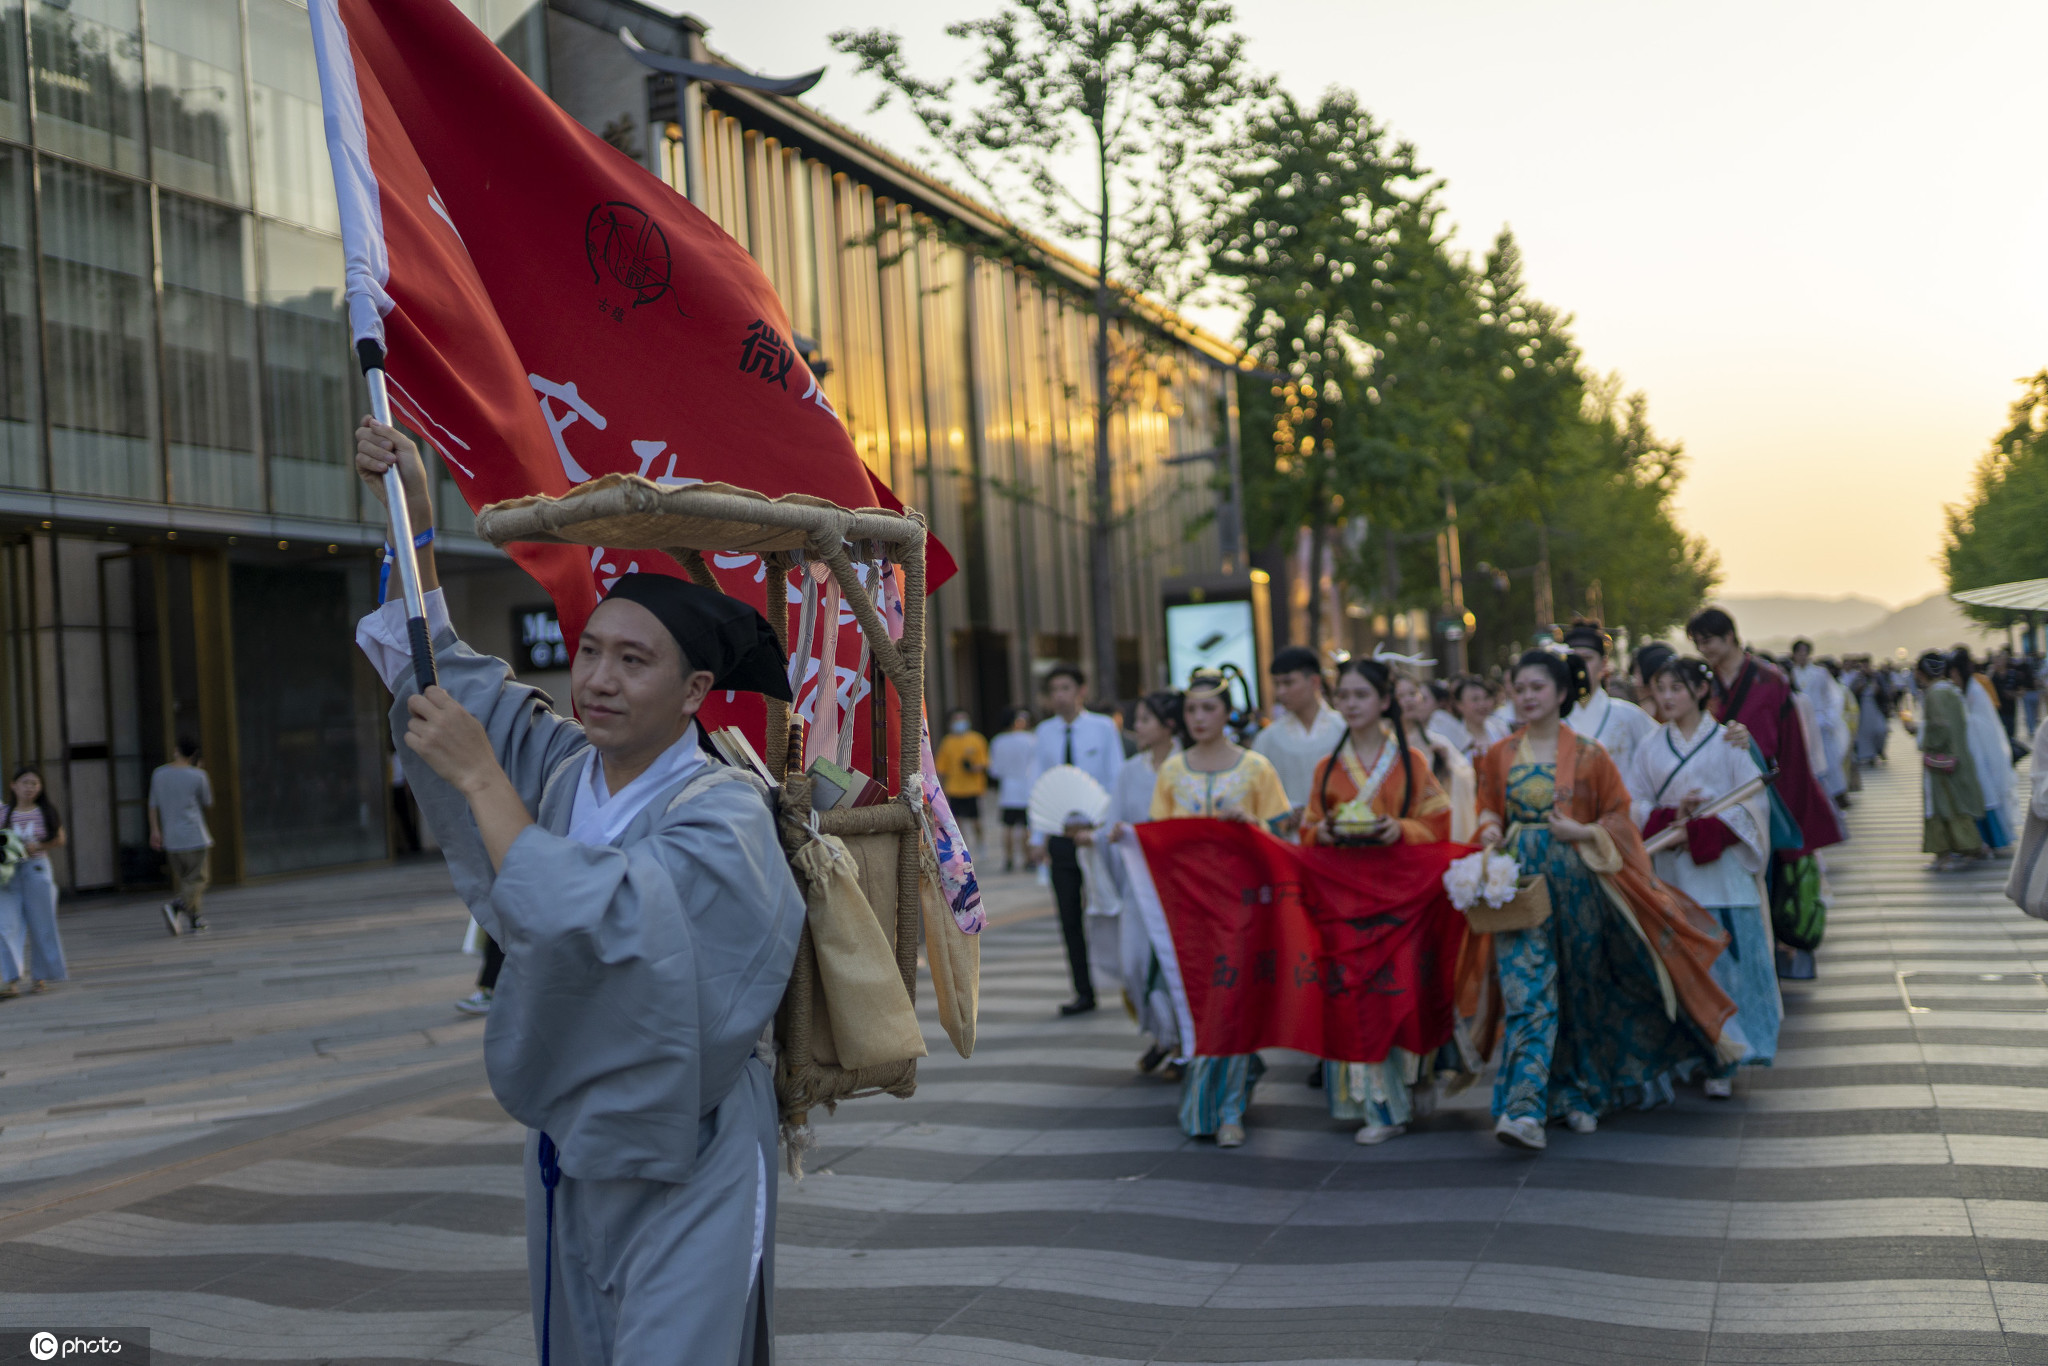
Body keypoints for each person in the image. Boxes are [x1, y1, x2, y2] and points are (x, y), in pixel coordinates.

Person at [354, 419, 803, 1365]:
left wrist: (482, 783)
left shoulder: (724, 813)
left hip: (694, 1140)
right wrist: (415, 526)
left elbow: (599, 912)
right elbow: (443, 679)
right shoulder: (563, 766)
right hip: (575, 1141)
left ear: (695, 693)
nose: (596, 680)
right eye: (591, 651)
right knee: (579, 1345)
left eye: (633, 663)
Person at [1472, 649, 1736, 1151]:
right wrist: (1488, 833)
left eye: (1537, 687)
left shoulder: (1591, 755)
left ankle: (1580, 1094)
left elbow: (1620, 819)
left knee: (1580, 988)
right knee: (1527, 990)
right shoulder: (1499, 753)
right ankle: (1525, 1107)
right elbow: (1488, 806)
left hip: (1578, 886)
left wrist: (1584, 830)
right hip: (1518, 886)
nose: (1527, 697)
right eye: (1519, 688)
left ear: (1562, 692)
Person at [1299, 656, 1453, 1145]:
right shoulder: (1327, 767)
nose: (1350, 704)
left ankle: (1413, 1081)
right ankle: (1378, 1106)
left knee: (1401, 993)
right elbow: (1308, 826)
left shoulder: (1412, 762)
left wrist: (1399, 829)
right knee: (1356, 996)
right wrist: (1321, 831)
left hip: (1400, 896)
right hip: (1344, 898)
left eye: (1360, 695)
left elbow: (1439, 823)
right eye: (1343, 696)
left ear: (1385, 701)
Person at [1623, 657, 1779, 1097]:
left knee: (1728, 970)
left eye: (1677, 687)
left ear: (1698, 692)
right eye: (1661, 688)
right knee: (1684, 971)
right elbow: (1633, 804)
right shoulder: (1651, 746)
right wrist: (1673, 816)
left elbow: (1752, 805)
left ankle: (1727, 1057)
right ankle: (1696, 1052)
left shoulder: (1729, 740)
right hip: (1673, 872)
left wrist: (1701, 828)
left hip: (1722, 873)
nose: (1667, 697)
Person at [1151, 669, 1291, 1148]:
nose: (1199, 717)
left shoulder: (1255, 769)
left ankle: (1227, 1109)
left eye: (1209, 708)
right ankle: (1232, 1080)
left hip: (1243, 904)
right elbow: (1158, 842)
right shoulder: (1171, 771)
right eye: (1191, 709)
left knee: (1231, 999)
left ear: (1227, 712)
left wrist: (1251, 824)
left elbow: (1281, 841)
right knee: (1203, 1000)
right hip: (1190, 906)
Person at [1685, 608, 1844, 860]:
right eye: (1698, 644)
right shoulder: (1704, 685)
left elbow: (1791, 749)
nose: (1703, 650)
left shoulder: (1771, 681)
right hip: (1717, 790)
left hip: (1766, 786)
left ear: (1728, 636)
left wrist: (1795, 804)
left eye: (1707, 641)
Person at [1033, 665, 1124, 1016]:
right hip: (1061, 836)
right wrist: (1038, 836)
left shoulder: (1102, 728)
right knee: (1069, 916)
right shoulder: (1044, 733)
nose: (1060, 695)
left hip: (1098, 836)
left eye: (1066, 687)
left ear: (1081, 690)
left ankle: (1124, 978)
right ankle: (1083, 991)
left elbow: (1115, 779)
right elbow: (1038, 785)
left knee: (1110, 908)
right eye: (1054, 689)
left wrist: (1104, 829)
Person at [1105, 689, 1183, 1077]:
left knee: (1178, 968)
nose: (1137, 726)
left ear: (1170, 724)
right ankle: (1164, 1034)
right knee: (1134, 965)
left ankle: (1181, 1043)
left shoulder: (1188, 764)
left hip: (1184, 886)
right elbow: (1112, 821)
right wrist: (1115, 834)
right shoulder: (1130, 770)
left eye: (1146, 719)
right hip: (1140, 884)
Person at [1250, 645, 1344, 829]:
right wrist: (1283, 812)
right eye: (1277, 684)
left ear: (1314, 682)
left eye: (1288, 683)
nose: (1281, 692)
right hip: (1288, 842)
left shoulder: (1342, 729)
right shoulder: (1267, 739)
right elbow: (1256, 793)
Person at [1559, 619, 1659, 789]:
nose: (1580, 666)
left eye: (1587, 658)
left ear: (1604, 663)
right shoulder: (1554, 719)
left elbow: (1662, 751)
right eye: (1573, 659)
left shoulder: (1628, 716)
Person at [1917, 650, 1986, 872]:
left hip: (1941, 760)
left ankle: (1947, 851)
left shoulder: (1934, 695)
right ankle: (1970, 846)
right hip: (1960, 755)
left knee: (1942, 805)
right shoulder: (1952, 691)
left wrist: (1922, 738)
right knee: (1959, 802)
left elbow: (1938, 728)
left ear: (1921, 673)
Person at [0, 766, 65, 997]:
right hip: (8, 874)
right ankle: (10, 978)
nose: (30, 787)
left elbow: (59, 838)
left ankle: (40, 977)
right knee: (6, 925)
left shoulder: (44, 811)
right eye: (25, 782)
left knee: (42, 924)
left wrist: (38, 846)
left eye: (35, 783)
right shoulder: (4, 812)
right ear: (13, 785)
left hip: (37, 869)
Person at [149, 737, 214, 935]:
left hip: (172, 837)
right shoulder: (198, 775)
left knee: (187, 880)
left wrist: (155, 830)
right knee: (199, 879)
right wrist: (199, 769)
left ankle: (196, 920)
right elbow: (207, 801)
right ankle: (176, 906)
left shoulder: (159, 774)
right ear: (194, 755)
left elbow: (153, 804)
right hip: (194, 835)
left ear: (176, 750)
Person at [1953, 650, 2016, 854]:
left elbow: (1986, 721)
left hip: (1981, 750)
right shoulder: (1966, 688)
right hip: (1972, 748)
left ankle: (1991, 839)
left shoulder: (1975, 690)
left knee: (1985, 790)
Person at [1789, 640, 1851, 808]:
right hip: (1801, 724)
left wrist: (1830, 718)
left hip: (1820, 722)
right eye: (1799, 652)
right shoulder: (1791, 673)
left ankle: (1836, 795)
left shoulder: (1820, 673)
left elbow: (1834, 697)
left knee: (1828, 760)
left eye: (1805, 652)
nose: (1802, 656)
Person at [985, 708, 1037, 874]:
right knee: (1026, 827)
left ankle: (1008, 858)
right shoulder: (1030, 739)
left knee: (1008, 826)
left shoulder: (998, 741)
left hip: (1008, 789)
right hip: (1026, 788)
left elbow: (994, 770)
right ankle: (1028, 858)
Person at [934, 708, 990, 855]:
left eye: (962, 719)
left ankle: (981, 843)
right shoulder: (947, 742)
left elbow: (984, 763)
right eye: (956, 720)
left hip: (973, 788)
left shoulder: (976, 739)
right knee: (957, 822)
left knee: (976, 820)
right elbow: (941, 768)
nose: (960, 723)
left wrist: (972, 768)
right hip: (954, 789)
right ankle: (963, 847)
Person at [1438, 675, 1508, 762]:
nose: (1482, 704)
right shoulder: (1454, 737)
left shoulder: (1500, 728)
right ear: (1459, 705)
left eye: (1486, 698)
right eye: (1475, 699)